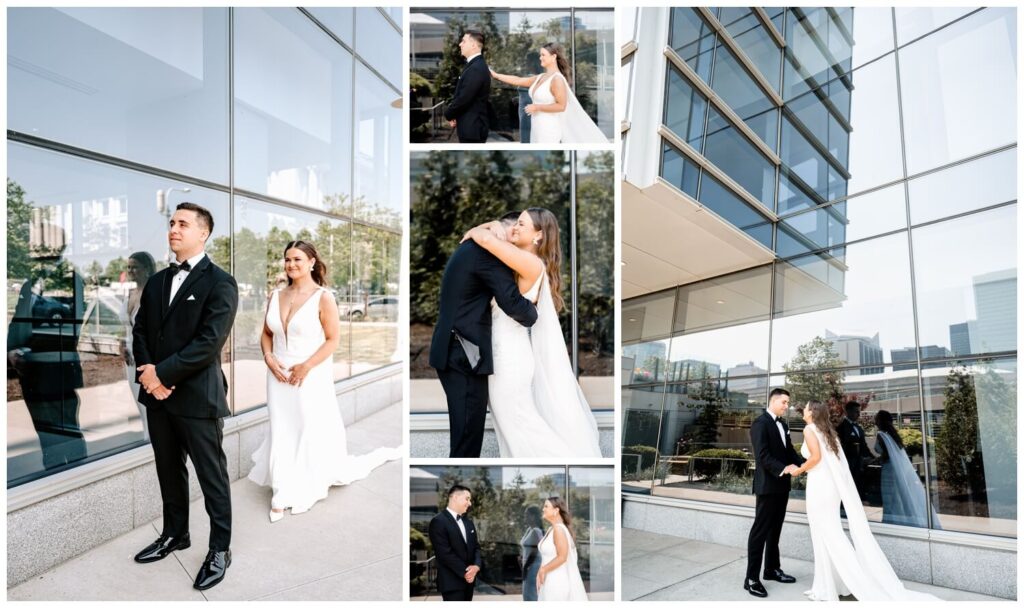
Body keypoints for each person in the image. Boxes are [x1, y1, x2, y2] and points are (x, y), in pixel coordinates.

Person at [248, 241, 400, 521]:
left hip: (310, 373)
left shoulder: (323, 297)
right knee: (281, 427)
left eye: (297, 259)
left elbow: (333, 340)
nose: (291, 264)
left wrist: (306, 366)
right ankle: (281, 489)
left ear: (312, 263)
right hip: (278, 374)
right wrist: (268, 358)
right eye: (287, 260)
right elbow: (267, 333)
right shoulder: (275, 295)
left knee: (307, 425)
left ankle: (307, 482)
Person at [131, 202, 238, 591]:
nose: (174, 228)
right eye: (171, 223)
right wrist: (149, 375)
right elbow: (140, 331)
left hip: (197, 398)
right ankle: (175, 534)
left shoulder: (221, 282)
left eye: (183, 224)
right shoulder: (158, 281)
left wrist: (162, 373)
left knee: (213, 477)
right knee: (168, 470)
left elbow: (208, 344)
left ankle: (220, 549)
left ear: (203, 233)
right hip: (157, 396)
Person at [460, 209, 602, 457]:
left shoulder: (530, 263)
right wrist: (491, 225)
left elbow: (482, 238)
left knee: (520, 425)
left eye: (521, 224)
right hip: (503, 355)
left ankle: (564, 462)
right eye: (515, 223)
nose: (514, 227)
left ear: (538, 235)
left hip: (510, 360)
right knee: (513, 427)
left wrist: (483, 227)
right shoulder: (517, 259)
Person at [792, 402, 939, 601]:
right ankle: (834, 584)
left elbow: (816, 458)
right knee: (829, 533)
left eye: (807, 407)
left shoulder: (810, 429)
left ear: (813, 412)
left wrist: (797, 470)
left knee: (826, 534)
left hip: (819, 486)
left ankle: (847, 582)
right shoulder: (827, 431)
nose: (804, 410)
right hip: (830, 488)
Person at [429, 215, 538, 458]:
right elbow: (513, 304)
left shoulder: (471, 245)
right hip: (464, 353)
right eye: (516, 228)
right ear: (502, 228)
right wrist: (536, 311)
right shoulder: (488, 254)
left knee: (463, 435)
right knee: (467, 442)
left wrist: (482, 228)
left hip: (452, 349)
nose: (516, 235)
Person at [744, 388, 805, 598]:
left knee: (775, 530)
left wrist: (805, 465)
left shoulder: (783, 424)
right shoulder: (760, 423)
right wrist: (784, 468)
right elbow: (762, 456)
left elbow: (789, 452)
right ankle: (751, 578)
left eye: (788, 403)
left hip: (782, 486)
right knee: (760, 531)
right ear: (773, 401)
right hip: (767, 486)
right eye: (785, 402)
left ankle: (771, 570)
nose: (787, 406)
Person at [490, 42, 607, 144]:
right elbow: (518, 80)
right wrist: (496, 75)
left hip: (549, 129)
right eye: (540, 55)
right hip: (537, 126)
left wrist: (537, 107)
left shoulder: (557, 79)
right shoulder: (541, 77)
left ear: (553, 57)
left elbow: (561, 106)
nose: (540, 58)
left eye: (543, 55)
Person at [874, 410, 940, 529]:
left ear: (880, 420)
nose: (875, 420)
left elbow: (887, 455)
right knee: (898, 496)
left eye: (876, 418)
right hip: (895, 469)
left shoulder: (881, 434)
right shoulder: (893, 434)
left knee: (890, 497)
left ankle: (891, 522)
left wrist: (875, 460)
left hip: (888, 471)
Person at [122, 251, 157, 441]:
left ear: (146, 269)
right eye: (128, 267)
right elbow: (125, 327)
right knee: (138, 400)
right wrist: (122, 343)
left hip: (145, 357)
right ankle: (147, 437)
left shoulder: (153, 293)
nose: (131, 271)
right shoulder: (128, 293)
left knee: (148, 403)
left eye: (135, 267)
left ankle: (152, 442)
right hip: (129, 358)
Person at [428, 485, 483, 601]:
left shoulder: (468, 522)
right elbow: (444, 554)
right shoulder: (438, 521)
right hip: (451, 584)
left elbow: (476, 548)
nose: (470, 503)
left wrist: (476, 566)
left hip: (469, 583)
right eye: (467, 499)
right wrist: (467, 573)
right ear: (455, 497)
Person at [444, 30, 493, 143]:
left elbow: (464, 98)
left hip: (473, 129)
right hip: (471, 127)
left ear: (473, 45)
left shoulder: (476, 67)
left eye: (463, 41)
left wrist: (448, 114)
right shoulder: (474, 65)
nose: (460, 44)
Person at [536, 496, 587, 601]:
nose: (543, 509)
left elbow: (562, 557)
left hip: (557, 582)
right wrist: (541, 572)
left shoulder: (558, 529)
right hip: (549, 580)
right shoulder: (552, 529)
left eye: (546, 506)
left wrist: (543, 569)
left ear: (556, 510)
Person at [837, 401, 870, 498]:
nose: (859, 414)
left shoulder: (859, 428)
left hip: (858, 465)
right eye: (856, 412)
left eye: (859, 412)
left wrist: (870, 457)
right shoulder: (841, 427)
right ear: (848, 411)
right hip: (848, 463)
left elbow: (864, 445)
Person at [521, 505, 544, 601]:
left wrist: (525, 568)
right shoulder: (529, 530)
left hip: (533, 568)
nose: (525, 517)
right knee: (527, 594)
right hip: (527, 567)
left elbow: (534, 553)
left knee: (531, 595)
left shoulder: (536, 531)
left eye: (527, 515)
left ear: (533, 517)